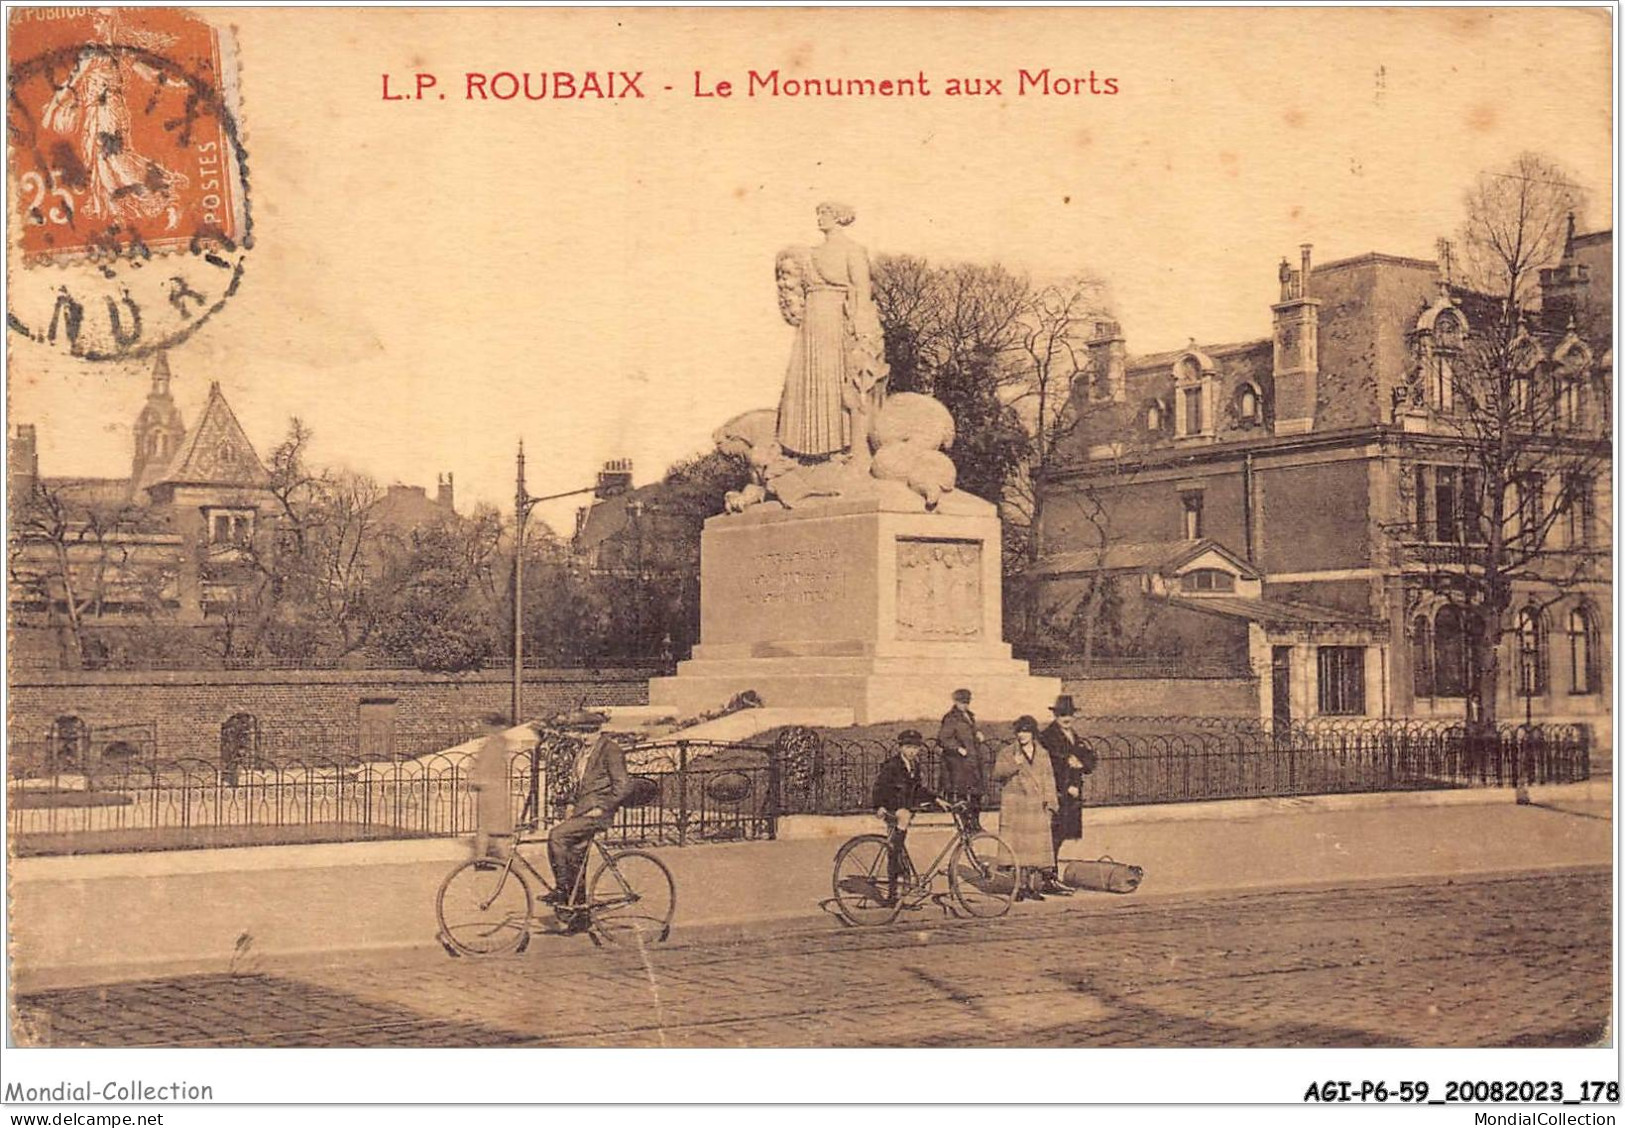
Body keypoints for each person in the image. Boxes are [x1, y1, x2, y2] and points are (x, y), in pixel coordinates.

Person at [775, 202, 889, 469]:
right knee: (806, 380)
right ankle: (806, 452)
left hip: (836, 319)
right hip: (810, 323)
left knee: (834, 379)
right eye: (818, 214)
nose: (820, 219)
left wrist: (862, 333)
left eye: (825, 214)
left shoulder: (853, 250)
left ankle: (840, 447)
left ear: (839, 218)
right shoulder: (808, 254)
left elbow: (862, 292)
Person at [544, 710, 635, 932]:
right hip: (582, 812)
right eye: (581, 732)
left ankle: (563, 890)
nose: (584, 737)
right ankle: (581, 917)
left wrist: (602, 808)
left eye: (589, 732)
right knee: (575, 859)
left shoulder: (611, 750)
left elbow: (623, 786)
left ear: (599, 730)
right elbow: (583, 785)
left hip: (598, 814)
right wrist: (570, 806)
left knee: (556, 836)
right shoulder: (584, 752)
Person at [870, 729, 942, 906]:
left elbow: (917, 789)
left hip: (905, 811)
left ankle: (901, 889)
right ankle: (892, 894)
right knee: (895, 851)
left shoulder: (914, 765)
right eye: (908, 747)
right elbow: (879, 787)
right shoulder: (892, 765)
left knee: (900, 849)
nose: (912, 751)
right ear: (901, 747)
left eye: (915, 748)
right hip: (893, 809)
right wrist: (879, 806)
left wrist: (936, 799)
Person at [992, 715, 1059, 902]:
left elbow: (1049, 779)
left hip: (1037, 807)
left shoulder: (1043, 753)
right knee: (1018, 849)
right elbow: (997, 774)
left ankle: (1032, 887)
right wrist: (1015, 764)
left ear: (1033, 733)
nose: (1022, 735)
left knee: (1035, 851)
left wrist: (1051, 803)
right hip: (1017, 808)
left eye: (1026, 731)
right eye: (1019, 731)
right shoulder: (1007, 753)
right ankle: (1019, 887)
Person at [1040, 695, 1098, 895]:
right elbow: (1047, 765)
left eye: (1070, 714)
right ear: (1055, 715)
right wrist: (1067, 766)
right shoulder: (1048, 736)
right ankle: (1048, 878)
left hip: (1071, 793)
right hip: (1058, 792)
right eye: (1062, 714)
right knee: (1053, 836)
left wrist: (1080, 764)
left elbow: (1088, 757)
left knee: (1061, 835)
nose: (1067, 718)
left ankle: (1049, 876)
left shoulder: (1073, 734)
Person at [936, 688, 987, 830]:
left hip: (973, 761)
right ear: (955, 701)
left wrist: (978, 734)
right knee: (962, 795)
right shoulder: (951, 718)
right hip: (959, 763)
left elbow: (970, 733)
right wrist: (958, 748)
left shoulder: (969, 716)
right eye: (962, 702)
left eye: (967, 702)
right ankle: (965, 825)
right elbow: (943, 739)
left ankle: (975, 823)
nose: (965, 705)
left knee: (976, 793)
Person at [468, 711, 517, 859]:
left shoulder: (491, 743)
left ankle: (481, 858)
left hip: (490, 789)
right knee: (497, 828)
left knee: (486, 827)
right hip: (494, 790)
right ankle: (506, 859)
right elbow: (486, 766)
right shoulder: (496, 743)